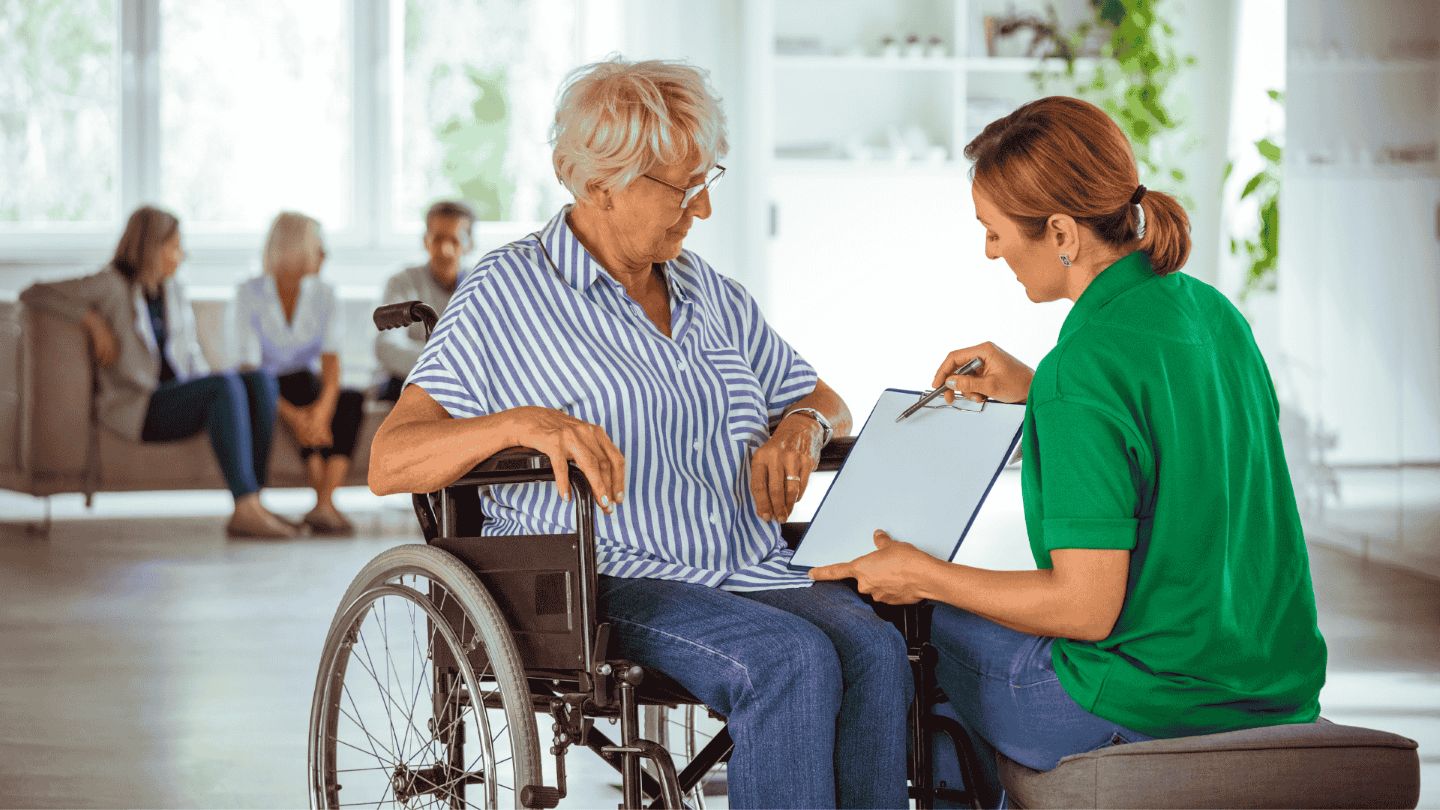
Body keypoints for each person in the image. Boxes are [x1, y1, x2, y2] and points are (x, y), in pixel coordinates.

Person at [368, 58, 911, 809]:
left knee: (877, 651)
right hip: (603, 578)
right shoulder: (509, 291)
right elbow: (391, 459)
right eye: (682, 189)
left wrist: (804, 425)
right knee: (787, 660)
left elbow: (822, 397)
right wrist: (526, 422)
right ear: (599, 185)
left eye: (706, 180)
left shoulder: (710, 294)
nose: (704, 209)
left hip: (743, 563)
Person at [810, 96, 1328, 807]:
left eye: (993, 233)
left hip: (1149, 702)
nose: (990, 252)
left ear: (1060, 231)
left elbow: (1085, 610)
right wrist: (1036, 390)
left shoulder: (1081, 370)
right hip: (1270, 684)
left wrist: (925, 575)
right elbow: (1177, 449)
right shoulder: (1211, 312)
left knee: (905, 624)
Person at [20, 206, 291, 538]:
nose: (181, 255)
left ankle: (254, 503)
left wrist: (215, 385)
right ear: (150, 247)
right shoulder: (110, 284)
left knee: (260, 380)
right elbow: (34, 292)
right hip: (139, 406)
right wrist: (90, 320)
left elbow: (189, 356)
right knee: (223, 385)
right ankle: (244, 506)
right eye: (174, 246)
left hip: (175, 395)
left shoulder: (173, 290)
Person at [233, 212, 364, 536]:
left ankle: (324, 501)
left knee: (350, 398)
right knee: (295, 382)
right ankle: (324, 505)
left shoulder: (325, 294)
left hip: (307, 387)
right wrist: (297, 420)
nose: (325, 254)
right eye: (318, 245)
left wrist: (321, 413)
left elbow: (332, 361)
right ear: (295, 248)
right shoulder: (249, 293)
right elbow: (249, 369)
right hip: (266, 389)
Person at [374, 201, 475, 401]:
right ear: (425, 241)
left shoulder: (482, 284)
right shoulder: (401, 282)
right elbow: (386, 346)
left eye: (454, 240)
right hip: (408, 383)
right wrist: (443, 365)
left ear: (469, 244)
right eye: (438, 239)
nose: (445, 250)